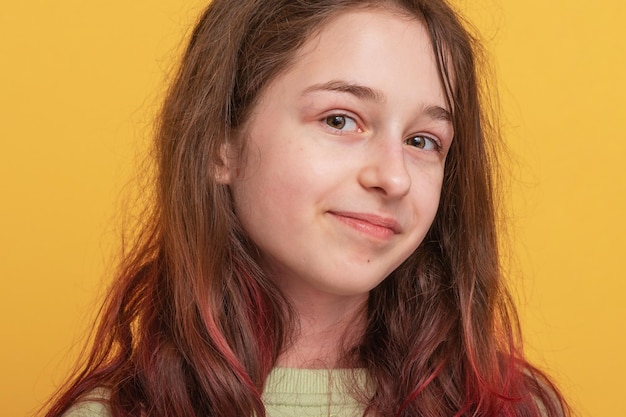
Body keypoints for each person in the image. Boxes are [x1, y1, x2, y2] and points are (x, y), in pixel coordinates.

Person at [42, 0, 572, 416]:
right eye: (340, 120)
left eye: (423, 141)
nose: (393, 177)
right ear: (218, 146)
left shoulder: (515, 408)